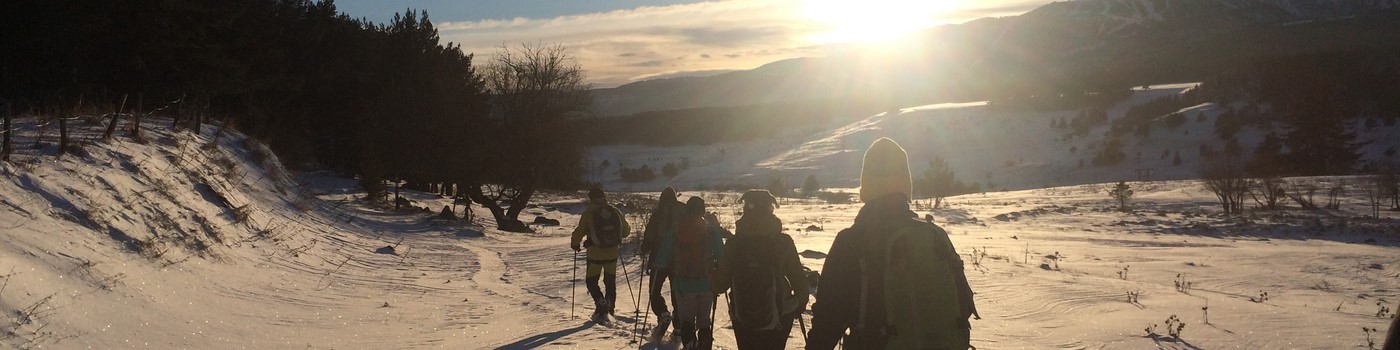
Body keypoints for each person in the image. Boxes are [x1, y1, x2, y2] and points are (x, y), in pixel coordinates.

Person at [807, 138, 978, 350]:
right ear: (906, 185)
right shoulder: (934, 235)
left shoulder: (852, 241)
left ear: (867, 186)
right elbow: (963, 305)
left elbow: (828, 319)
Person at [712, 189, 809, 349]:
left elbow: (720, 285)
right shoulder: (783, 242)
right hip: (779, 314)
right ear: (771, 209)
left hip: (743, 314)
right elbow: (798, 278)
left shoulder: (734, 243)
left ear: (745, 210)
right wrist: (799, 303)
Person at [655, 196, 726, 349]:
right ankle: (705, 345)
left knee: (686, 320)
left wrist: (660, 265)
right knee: (704, 321)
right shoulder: (710, 230)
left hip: (683, 284)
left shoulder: (676, 229)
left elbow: (663, 257)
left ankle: (690, 345)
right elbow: (721, 255)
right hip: (706, 283)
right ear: (703, 210)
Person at [571, 187, 631, 322]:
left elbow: (580, 230)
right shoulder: (615, 211)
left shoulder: (589, 212)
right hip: (612, 254)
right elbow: (626, 231)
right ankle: (609, 308)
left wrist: (575, 242)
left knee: (591, 281)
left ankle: (600, 302)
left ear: (591, 198)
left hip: (595, 254)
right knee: (610, 282)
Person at [643, 187, 684, 339]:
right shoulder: (683, 211)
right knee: (677, 292)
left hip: (659, 260)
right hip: (680, 261)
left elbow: (649, 236)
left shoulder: (658, 214)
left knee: (654, 291)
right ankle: (679, 325)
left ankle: (662, 314)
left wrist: (644, 248)